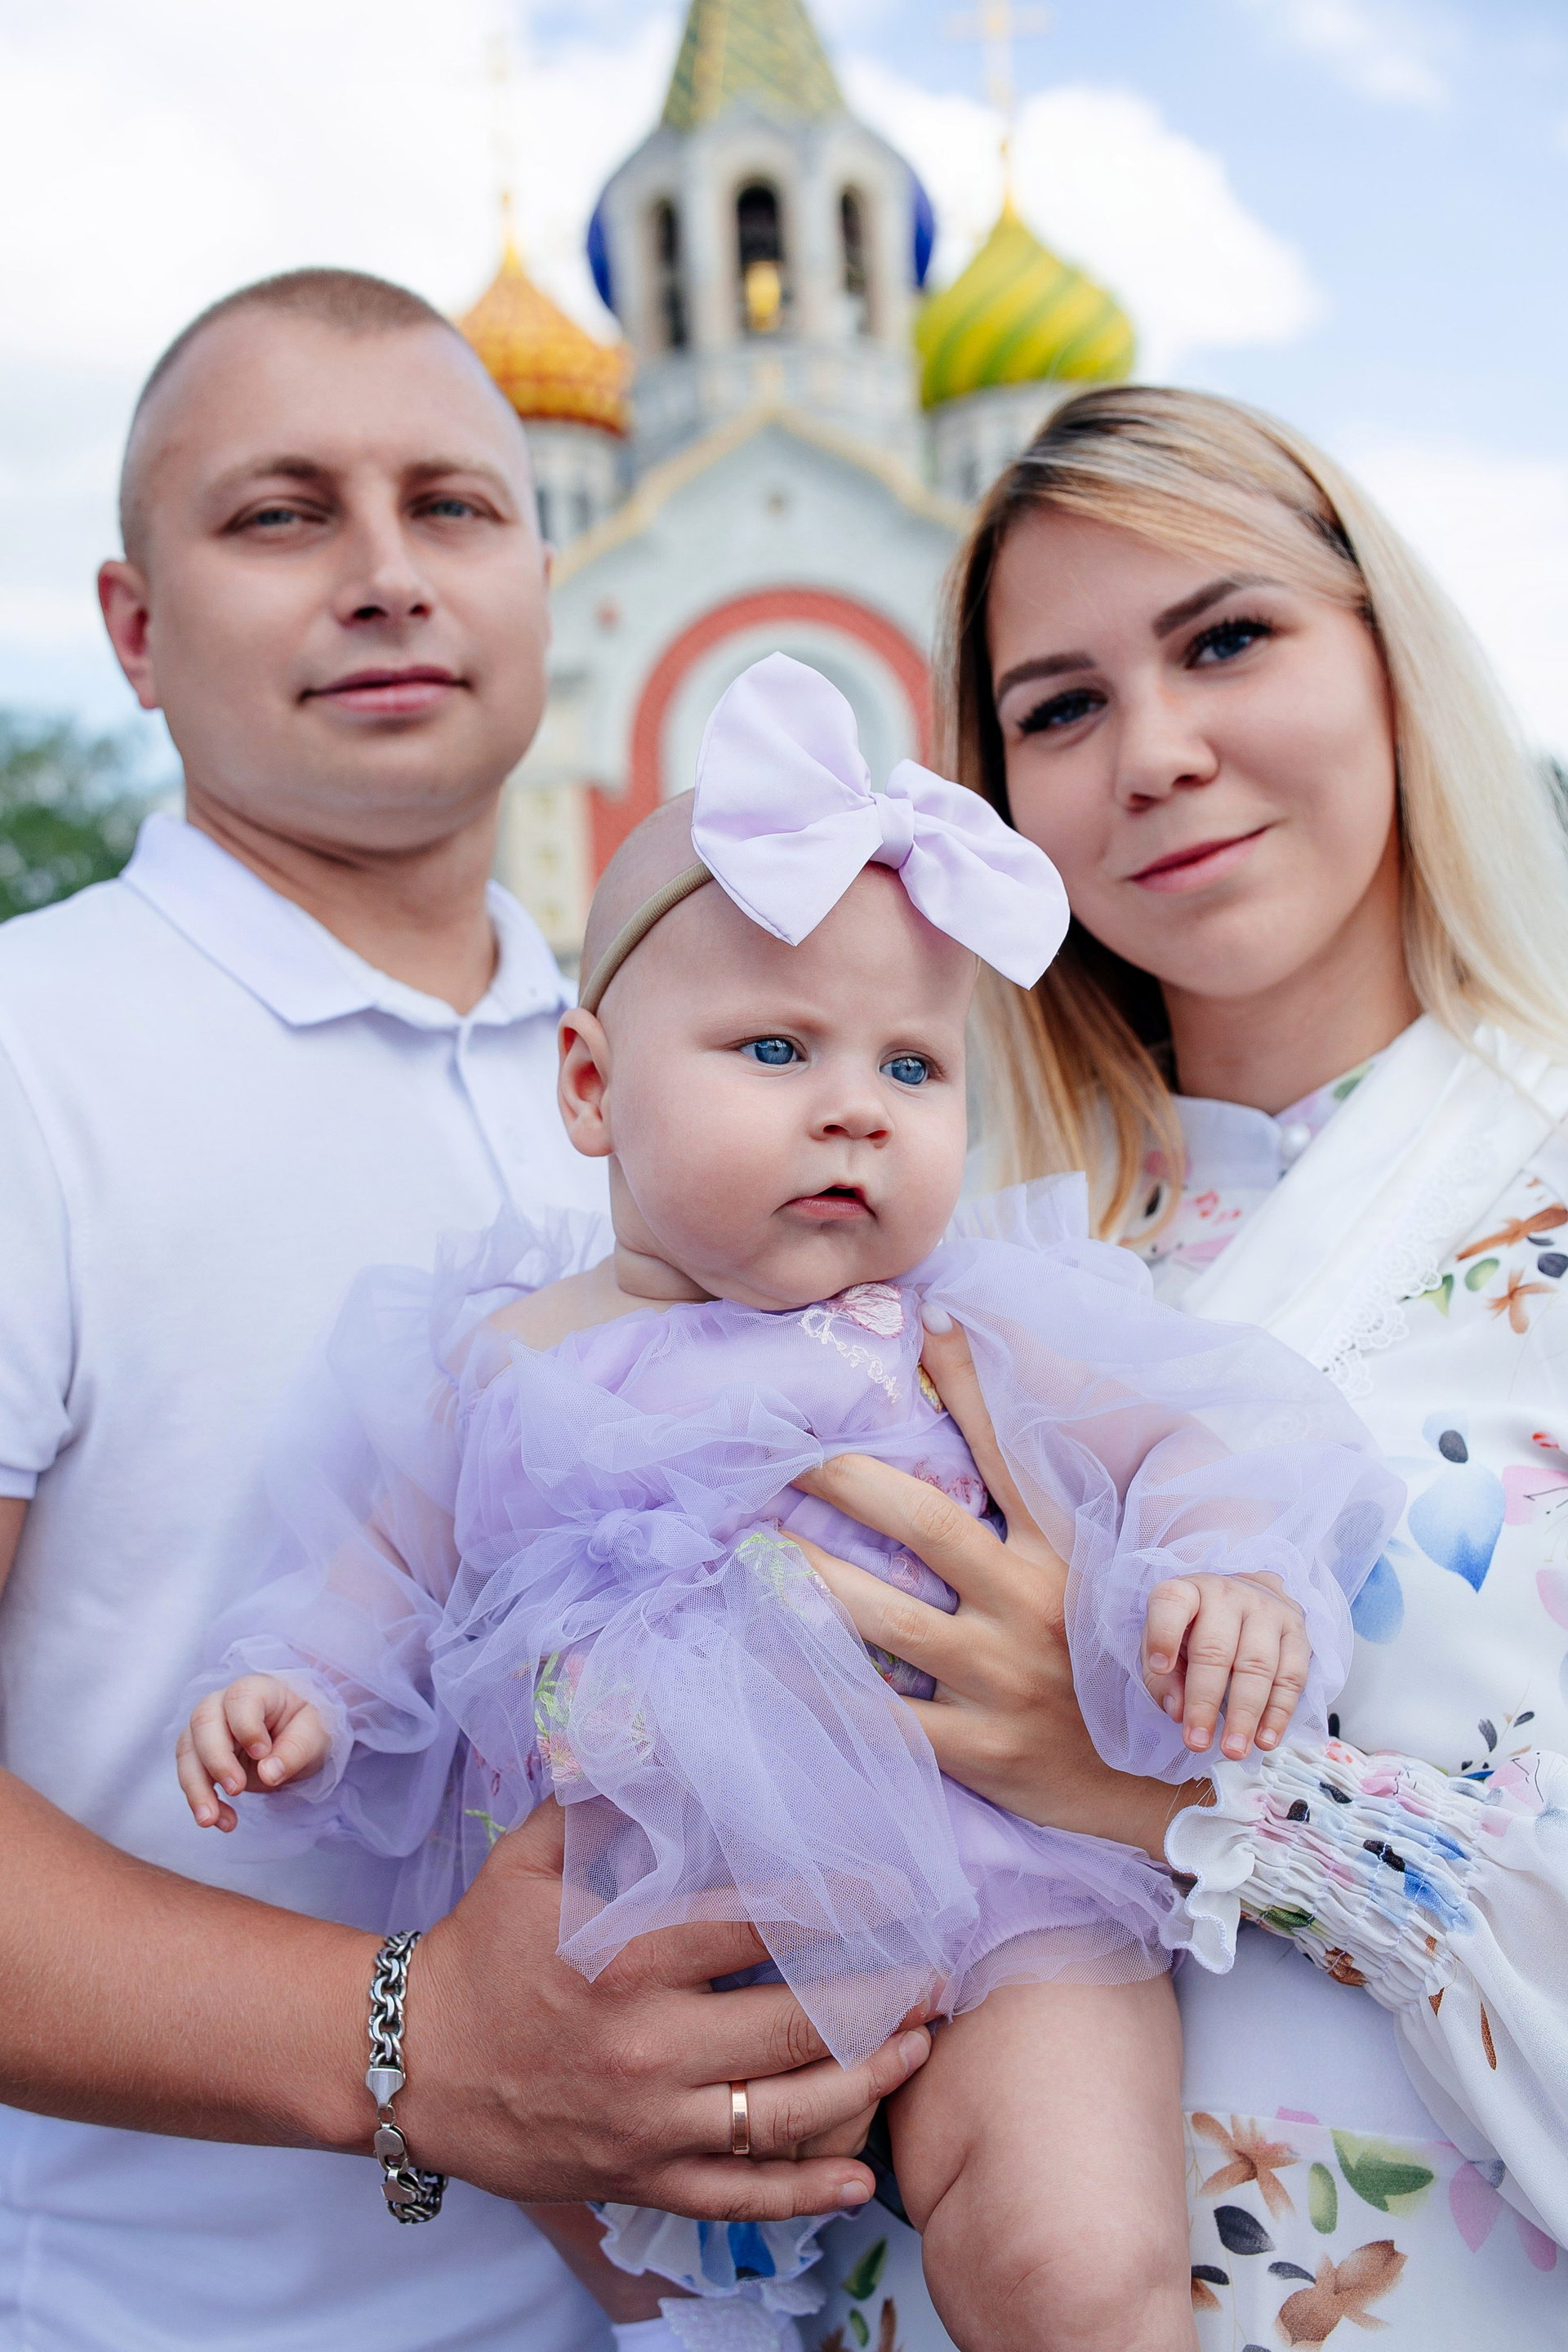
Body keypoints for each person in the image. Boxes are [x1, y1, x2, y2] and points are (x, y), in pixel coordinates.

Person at [182, 653, 1399, 2352]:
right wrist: (301, 1688)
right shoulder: (512, 1355)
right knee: (648, 2272)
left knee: (1065, 2258)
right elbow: (389, 1560)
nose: (853, 1109)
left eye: (914, 1067)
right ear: (592, 1086)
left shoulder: (960, 1323)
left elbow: (1206, 1427)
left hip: (998, 1898)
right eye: (775, 1047)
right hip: (644, 1952)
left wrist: (1223, 1565)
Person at [0, 272, 925, 2352]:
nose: (388, 575)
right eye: (280, 515)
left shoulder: (725, 1072)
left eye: (454, 506)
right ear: (133, 629)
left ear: (546, 573)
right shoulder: (29, 1058)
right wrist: (411, 2040)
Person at [781, 386, 1568, 2350]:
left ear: (1386, 658)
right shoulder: (951, 1276)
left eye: (1227, 640)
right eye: (1059, 709)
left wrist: (1181, 1787)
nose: (1156, 754)